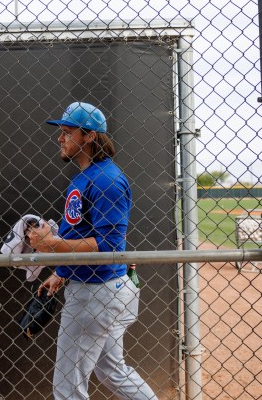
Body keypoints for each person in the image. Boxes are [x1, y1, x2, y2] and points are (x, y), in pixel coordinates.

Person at [27, 102, 158, 400]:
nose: (60, 138)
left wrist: (54, 246)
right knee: (111, 370)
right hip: (99, 287)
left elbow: (109, 246)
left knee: (67, 387)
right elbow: (82, 232)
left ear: (89, 137)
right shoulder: (85, 177)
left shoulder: (107, 180)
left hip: (96, 293)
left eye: (67, 132)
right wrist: (61, 272)